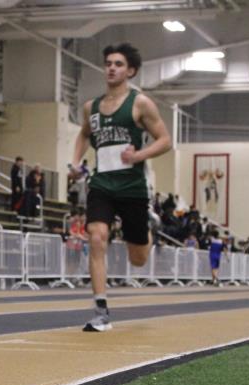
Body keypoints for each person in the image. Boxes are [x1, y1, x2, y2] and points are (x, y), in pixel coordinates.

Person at [70, 42, 172, 332]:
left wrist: (138, 155)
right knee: (96, 237)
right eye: (108, 64)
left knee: (138, 259)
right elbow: (84, 135)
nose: (111, 68)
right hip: (102, 183)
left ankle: (147, 229)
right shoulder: (91, 107)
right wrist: (75, 162)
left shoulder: (140, 104)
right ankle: (100, 311)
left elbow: (165, 140)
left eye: (118, 64)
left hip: (131, 186)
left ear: (131, 71)